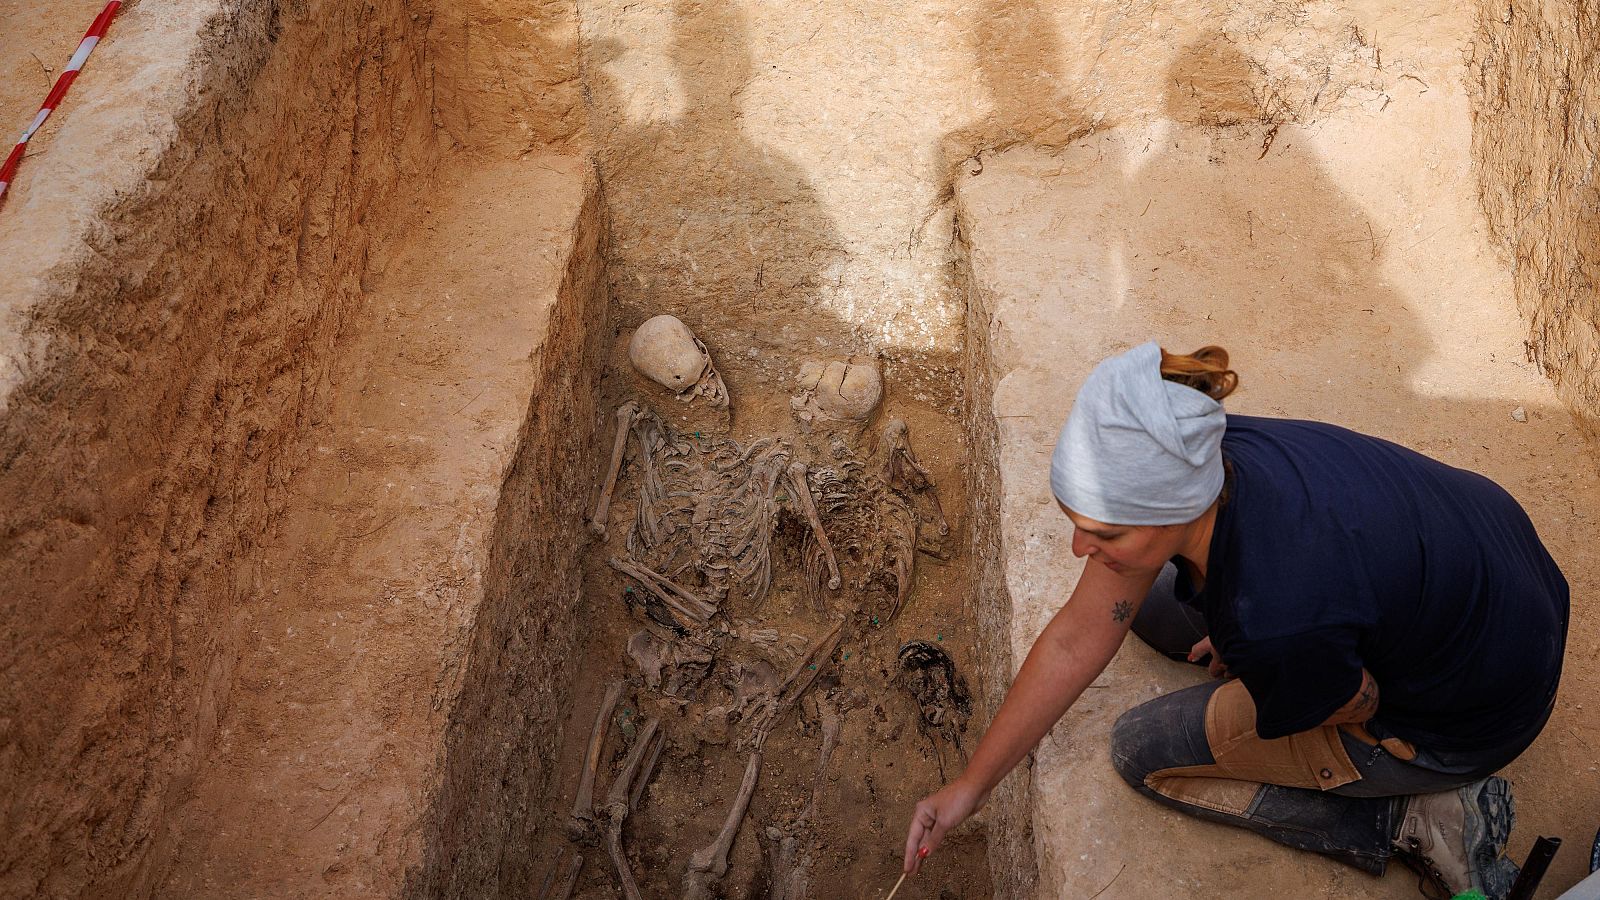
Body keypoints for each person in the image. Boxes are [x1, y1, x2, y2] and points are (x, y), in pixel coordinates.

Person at [902, 342, 1569, 899]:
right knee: (1151, 605)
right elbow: (1082, 631)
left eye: (1101, 531)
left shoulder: (1274, 615)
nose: (1080, 548)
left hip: (1468, 718)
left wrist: (1269, 666)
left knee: (1144, 751)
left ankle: (1422, 816)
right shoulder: (1204, 447)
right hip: (1505, 584)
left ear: (1172, 510)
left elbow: (1356, 697)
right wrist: (971, 786)